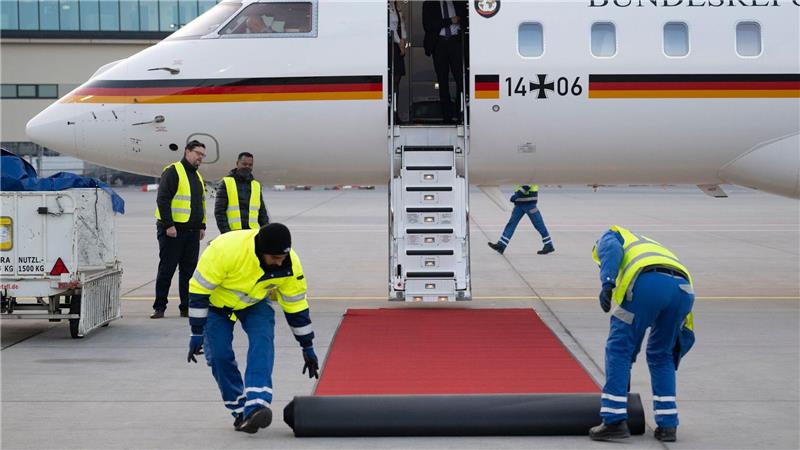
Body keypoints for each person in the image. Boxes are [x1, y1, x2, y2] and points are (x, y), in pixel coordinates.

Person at [186, 223, 319, 434]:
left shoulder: (289, 262)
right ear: (260, 251)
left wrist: (307, 346)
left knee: (262, 342)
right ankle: (240, 411)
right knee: (220, 357)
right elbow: (198, 290)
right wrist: (196, 331)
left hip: (254, 303)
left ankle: (257, 404)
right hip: (216, 306)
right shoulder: (226, 250)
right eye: (275, 258)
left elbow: (296, 306)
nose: (280, 262)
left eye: (282, 257)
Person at [589, 225, 696, 442]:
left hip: (648, 284)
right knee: (661, 355)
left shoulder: (611, 234)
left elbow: (610, 249)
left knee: (618, 349)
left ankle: (614, 420)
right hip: (683, 290)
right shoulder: (648, 245)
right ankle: (668, 426)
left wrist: (607, 283)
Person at [152, 140, 207, 319]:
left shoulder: (197, 176)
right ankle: (160, 307)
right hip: (173, 231)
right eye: (198, 153)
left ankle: (186, 307)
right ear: (187, 152)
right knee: (167, 270)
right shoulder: (173, 171)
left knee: (189, 272)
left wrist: (201, 226)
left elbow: (200, 204)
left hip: (192, 232)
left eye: (202, 155)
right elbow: (163, 199)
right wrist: (168, 225)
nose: (200, 157)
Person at [422, 0, 467, 123]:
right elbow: (428, 25)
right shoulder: (429, 4)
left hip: (456, 42)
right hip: (439, 44)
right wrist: (450, 21)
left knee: (461, 79)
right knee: (442, 81)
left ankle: (461, 113)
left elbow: (467, 20)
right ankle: (447, 117)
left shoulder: (460, 3)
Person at [488, 184, 554, 255]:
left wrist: (517, 195)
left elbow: (528, 184)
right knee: (511, 224)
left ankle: (548, 244)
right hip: (519, 204)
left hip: (530, 204)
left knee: (538, 224)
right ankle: (501, 245)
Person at [214, 152, 269, 234]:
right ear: (237, 163)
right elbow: (219, 212)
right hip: (233, 233)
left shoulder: (256, 185)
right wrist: (226, 233)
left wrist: (267, 231)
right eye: (244, 164)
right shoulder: (226, 182)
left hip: (251, 233)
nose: (247, 167)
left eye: (250, 165)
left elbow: (262, 213)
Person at [388, 0, 407, 114]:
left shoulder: (396, 6)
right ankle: (391, 111)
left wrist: (404, 39)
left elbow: (402, 24)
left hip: (398, 44)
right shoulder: (387, 6)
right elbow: (390, 27)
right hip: (391, 45)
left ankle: (395, 111)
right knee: (392, 80)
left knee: (397, 79)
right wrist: (400, 42)